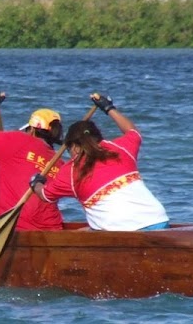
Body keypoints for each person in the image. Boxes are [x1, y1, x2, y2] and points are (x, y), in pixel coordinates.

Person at [31, 93, 169, 231]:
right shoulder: (121, 148)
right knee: (84, 231)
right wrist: (108, 108)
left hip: (123, 230)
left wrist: (36, 183)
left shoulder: (70, 171)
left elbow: (45, 195)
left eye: (68, 149)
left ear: (74, 147)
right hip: (158, 220)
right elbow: (133, 131)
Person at [0, 91, 64, 230]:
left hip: (16, 227)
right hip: (53, 228)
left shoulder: (19, 141)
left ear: (32, 129)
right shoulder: (59, 161)